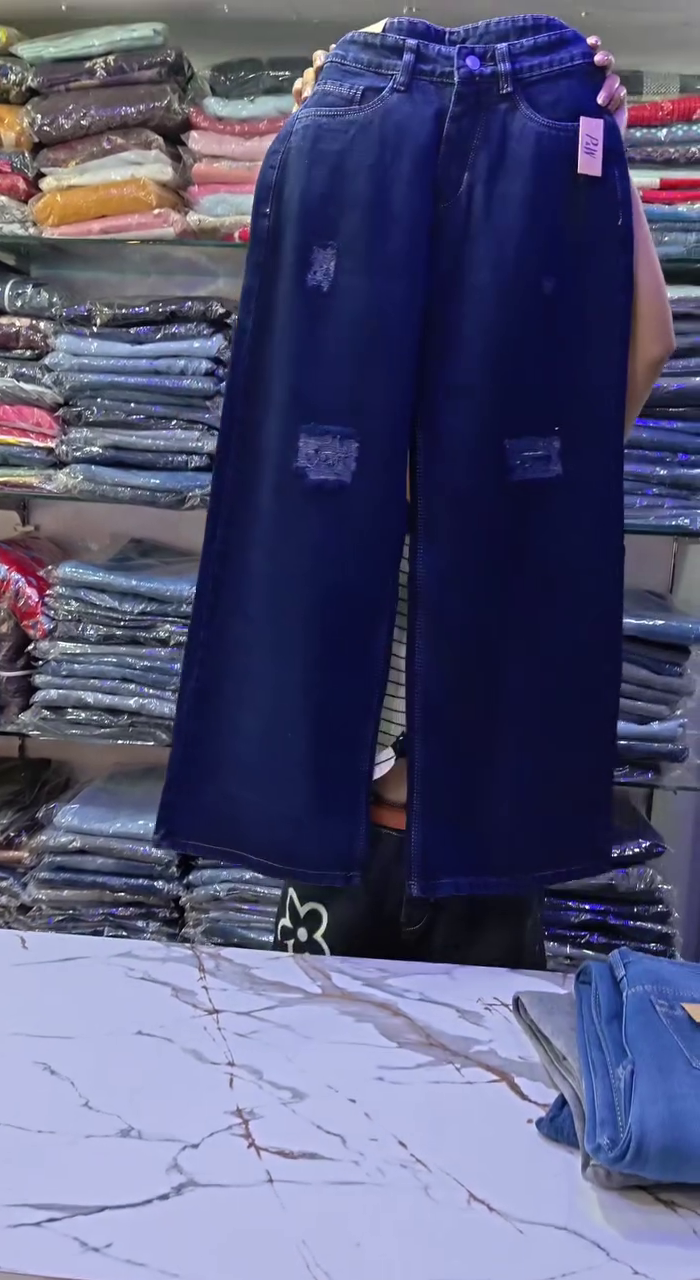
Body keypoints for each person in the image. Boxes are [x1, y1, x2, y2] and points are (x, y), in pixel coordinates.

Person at [272, 26, 675, 966]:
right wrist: (320, 134)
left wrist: (604, 162)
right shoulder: (326, 463)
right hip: (352, 845)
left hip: (473, 859)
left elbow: (650, 340)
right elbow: (303, 298)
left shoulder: (534, 468)